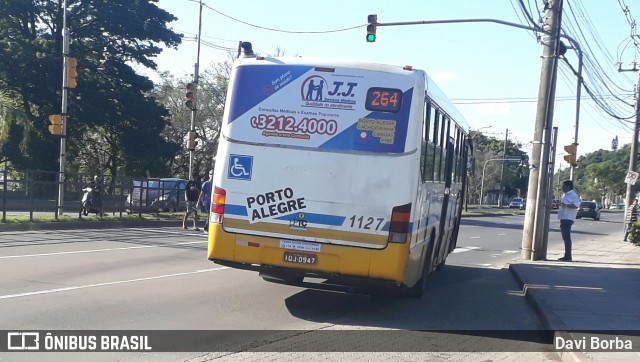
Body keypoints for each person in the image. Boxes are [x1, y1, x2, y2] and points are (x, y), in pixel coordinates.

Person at [558, 180, 580, 261]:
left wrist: (565, 205)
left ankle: (568, 256)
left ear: (568, 186)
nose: (562, 188)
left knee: (566, 238)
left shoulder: (573, 195)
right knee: (565, 237)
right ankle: (567, 255)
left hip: (568, 218)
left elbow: (576, 205)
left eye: (564, 186)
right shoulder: (565, 195)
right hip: (563, 217)